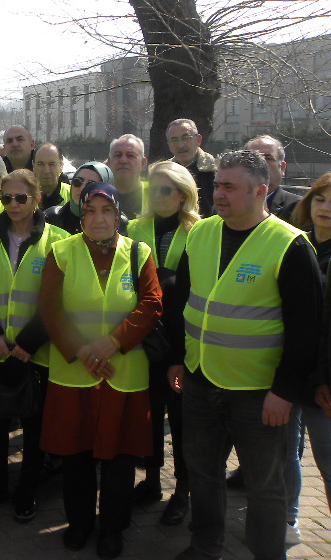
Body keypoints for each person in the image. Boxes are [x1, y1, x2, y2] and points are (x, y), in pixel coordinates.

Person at [167, 149, 321, 560]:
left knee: (265, 484)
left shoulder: (289, 246)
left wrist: (285, 391)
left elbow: (306, 330)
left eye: (230, 187)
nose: (219, 193)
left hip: (259, 391)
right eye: (217, 184)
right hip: (202, 378)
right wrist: (178, 358)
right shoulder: (200, 233)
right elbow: (183, 301)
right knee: (202, 473)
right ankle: (206, 545)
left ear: (261, 191)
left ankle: (267, 553)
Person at [39, 182, 162, 558]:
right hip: (74, 372)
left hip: (123, 373)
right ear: (80, 214)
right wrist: (83, 350)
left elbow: (152, 303)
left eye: (106, 210)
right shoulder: (61, 252)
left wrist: (112, 342)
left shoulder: (139, 252)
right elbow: (50, 308)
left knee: (119, 459)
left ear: (118, 214)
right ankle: (79, 524)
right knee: (76, 456)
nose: (98, 218)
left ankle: (112, 529)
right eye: (89, 210)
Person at [0, 168, 70, 520]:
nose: (12, 204)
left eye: (21, 197)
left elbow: (58, 299)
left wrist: (28, 342)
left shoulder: (58, 240)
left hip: (36, 352)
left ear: (37, 199)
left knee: (34, 427)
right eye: (6, 197)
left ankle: (26, 491)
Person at [127, 161, 201, 526]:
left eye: (166, 190)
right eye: (152, 189)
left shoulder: (201, 232)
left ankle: (182, 492)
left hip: (183, 342)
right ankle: (153, 482)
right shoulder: (134, 228)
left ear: (184, 194)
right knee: (149, 417)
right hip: (144, 341)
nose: (157, 196)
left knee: (183, 422)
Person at [282, 174, 331, 539]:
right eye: (319, 199)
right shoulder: (295, 246)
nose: (325, 208)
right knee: (285, 453)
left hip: (323, 381)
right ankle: (288, 518)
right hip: (289, 370)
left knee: (327, 462)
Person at [45, 162, 125, 236]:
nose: (82, 188)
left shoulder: (119, 223)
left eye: (90, 184)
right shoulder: (52, 217)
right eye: (77, 182)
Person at [165, 119, 217, 216]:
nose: (180, 145)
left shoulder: (215, 171)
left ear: (198, 140)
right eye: (174, 140)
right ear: (169, 146)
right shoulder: (164, 173)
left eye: (185, 138)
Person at [246, 135, 301, 222]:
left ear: (282, 167)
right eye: (254, 158)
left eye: (268, 158)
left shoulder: (298, 207)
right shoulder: (229, 203)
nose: (261, 164)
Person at [107, 134, 149, 219]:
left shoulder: (155, 194)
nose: (123, 161)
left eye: (130, 155)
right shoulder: (98, 195)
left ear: (143, 163)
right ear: (109, 162)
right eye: (118, 155)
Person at [33, 142, 70, 210]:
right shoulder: (22, 197)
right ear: (33, 166)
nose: (46, 170)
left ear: (61, 166)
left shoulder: (73, 195)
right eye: (40, 164)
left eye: (51, 164)